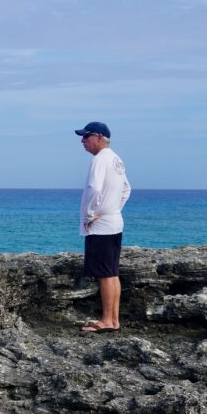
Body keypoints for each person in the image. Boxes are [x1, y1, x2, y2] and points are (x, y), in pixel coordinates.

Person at [75, 121, 131, 333]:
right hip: (114, 220)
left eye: (86, 136)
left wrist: (90, 215)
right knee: (112, 272)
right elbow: (126, 189)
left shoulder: (100, 159)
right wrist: (114, 208)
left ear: (98, 137)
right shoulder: (116, 159)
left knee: (105, 274)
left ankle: (108, 320)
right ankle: (114, 320)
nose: (82, 141)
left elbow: (94, 187)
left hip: (101, 225)